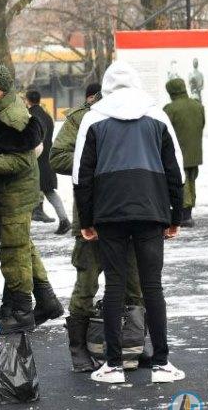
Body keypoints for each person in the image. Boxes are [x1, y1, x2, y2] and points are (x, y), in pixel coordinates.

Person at [73, 61, 185, 384]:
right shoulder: (157, 115)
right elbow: (174, 169)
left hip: (109, 213)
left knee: (114, 287)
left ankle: (113, 365)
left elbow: (83, 175)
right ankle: (162, 363)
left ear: (107, 87)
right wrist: (174, 214)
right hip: (151, 210)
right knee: (153, 286)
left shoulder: (94, 118)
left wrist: (87, 218)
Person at [50, 82, 144, 373]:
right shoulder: (81, 118)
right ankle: (79, 348)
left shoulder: (139, 115)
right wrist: (95, 160)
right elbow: (57, 156)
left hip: (130, 210)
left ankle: (136, 342)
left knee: (134, 281)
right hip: (93, 213)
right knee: (87, 283)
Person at [0, 65, 62, 334]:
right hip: (15, 192)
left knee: (14, 253)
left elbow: (20, 161)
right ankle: (47, 301)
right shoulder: (5, 108)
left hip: (15, 194)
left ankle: (22, 312)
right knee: (24, 247)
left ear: (3, 88)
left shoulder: (12, 116)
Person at [26, 90, 70, 234]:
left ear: (27, 100)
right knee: (49, 191)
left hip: (35, 160)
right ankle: (64, 220)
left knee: (24, 192)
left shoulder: (29, 116)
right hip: (47, 159)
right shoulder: (48, 117)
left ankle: (22, 227)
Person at [164, 78, 205, 227]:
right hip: (195, 151)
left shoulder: (170, 109)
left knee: (183, 182)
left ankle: (184, 214)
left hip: (178, 152)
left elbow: (165, 131)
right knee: (191, 181)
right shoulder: (197, 105)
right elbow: (202, 124)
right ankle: (188, 211)